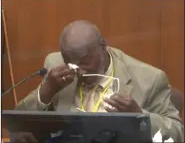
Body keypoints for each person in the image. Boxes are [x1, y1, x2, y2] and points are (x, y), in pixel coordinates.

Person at [14, 20, 183, 142]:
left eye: (85, 62)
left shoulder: (149, 79)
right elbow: (18, 124)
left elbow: (178, 134)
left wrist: (138, 117)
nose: (78, 71)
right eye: (70, 63)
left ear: (103, 47)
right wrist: (46, 92)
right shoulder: (54, 63)